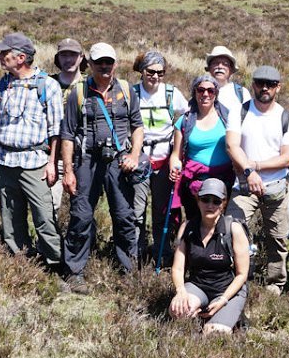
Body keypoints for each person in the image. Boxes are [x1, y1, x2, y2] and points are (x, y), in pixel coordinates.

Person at [59, 42, 145, 291]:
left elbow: (137, 126)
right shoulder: (78, 93)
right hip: (86, 160)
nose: (105, 67)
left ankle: (128, 269)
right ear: (91, 64)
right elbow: (67, 134)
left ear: (115, 63)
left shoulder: (127, 91)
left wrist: (135, 155)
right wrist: (69, 170)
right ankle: (74, 271)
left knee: (124, 216)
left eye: (109, 62)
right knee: (81, 216)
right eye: (99, 62)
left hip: (120, 162)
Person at [0, 33, 66, 276]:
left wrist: (52, 164)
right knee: (10, 217)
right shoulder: (0, 85)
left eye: (4, 53)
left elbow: (56, 130)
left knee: (44, 216)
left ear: (20, 58)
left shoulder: (47, 85)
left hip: (35, 163)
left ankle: (54, 265)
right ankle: (21, 262)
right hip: (5, 162)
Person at [226, 65, 289, 295]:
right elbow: (231, 145)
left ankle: (275, 282)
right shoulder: (239, 112)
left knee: (277, 238)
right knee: (232, 228)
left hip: (276, 187)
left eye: (270, 84)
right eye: (260, 83)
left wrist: (255, 166)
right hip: (244, 185)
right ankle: (237, 273)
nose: (264, 88)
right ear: (253, 85)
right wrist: (249, 173)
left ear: (278, 87)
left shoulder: (286, 118)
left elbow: (286, 158)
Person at [169, 178, 250, 334]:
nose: (210, 205)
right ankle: (205, 314)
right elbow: (178, 268)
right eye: (205, 199)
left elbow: (242, 275)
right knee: (177, 311)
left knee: (213, 332)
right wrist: (181, 292)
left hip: (227, 289)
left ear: (224, 203)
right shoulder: (187, 227)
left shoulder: (233, 229)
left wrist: (223, 300)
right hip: (198, 285)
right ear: (198, 201)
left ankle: (231, 315)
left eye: (216, 201)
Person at [131, 50, 185, 267]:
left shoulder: (171, 94)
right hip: (139, 162)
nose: (155, 77)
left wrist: (178, 151)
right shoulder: (133, 93)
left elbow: (186, 118)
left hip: (164, 161)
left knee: (162, 212)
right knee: (136, 210)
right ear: (142, 71)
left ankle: (162, 253)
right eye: (151, 71)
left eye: (160, 73)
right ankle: (136, 253)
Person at [169, 74, 238, 225]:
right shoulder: (184, 121)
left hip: (225, 181)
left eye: (210, 90)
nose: (205, 94)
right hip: (195, 185)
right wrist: (174, 167)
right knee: (196, 223)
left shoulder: (228, 118)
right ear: (194, 92)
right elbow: (176, 155)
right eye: (201, 90)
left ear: (216, 93)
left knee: (222, 224)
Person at [50, 38, 87, 212]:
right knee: (50, 205)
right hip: (52, 155)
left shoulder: (90, 85)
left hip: (82, 156)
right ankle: (50, 239)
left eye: (73, 55)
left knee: (82, 207)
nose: (68, 59)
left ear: (81, 57)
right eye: (64, 55)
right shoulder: (48, 83)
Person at [204, 45, 249, 113]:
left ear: (231, 70)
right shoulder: (201, 91)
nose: (220, 66)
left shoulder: (242, 93)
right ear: (209, 68)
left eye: (225, 64)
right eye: (215, 63)